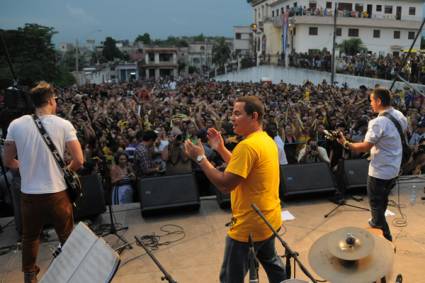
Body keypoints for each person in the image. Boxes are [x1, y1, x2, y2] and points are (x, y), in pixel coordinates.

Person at [184, 96, 286, 283]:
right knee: (272, 263)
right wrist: (221, 148)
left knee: (230, 278)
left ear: (254, 116)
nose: (232, 118)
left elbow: (225, 184)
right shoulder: (266, 140)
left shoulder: (246, 146)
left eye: (237, 113)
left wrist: (201, 159)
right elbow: (242, 168)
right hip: (269, 219)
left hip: (248, 226)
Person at [3, 81, 84, 283]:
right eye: (55, 99)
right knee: (66, 236)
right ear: (49, 100)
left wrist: (27, 168)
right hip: (57, 193)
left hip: (29, 194)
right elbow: (79, 160)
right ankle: (72, 273)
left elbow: (7, 160)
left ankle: (29, 276)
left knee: (30, 237)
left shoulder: (16, 124)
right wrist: (65, 171)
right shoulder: (63, 124)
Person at [337, 87, 407, 242]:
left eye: (371, 101)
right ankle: (377, 224)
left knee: (376, 209)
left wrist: (346, 143)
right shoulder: (400, 116)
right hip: (394, 169)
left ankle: (386, 240)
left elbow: (364, 147)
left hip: (379, 172)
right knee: (382, 202)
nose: (370, 104)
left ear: (379, 101)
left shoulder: (377, 122)